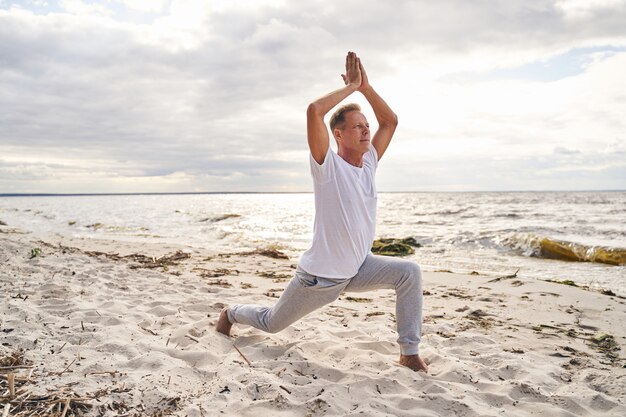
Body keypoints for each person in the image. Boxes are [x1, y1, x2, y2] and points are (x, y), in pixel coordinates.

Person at [216, 51, 427, 373]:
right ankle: (231, 313)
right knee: (272, 323)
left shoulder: (369, 163)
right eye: (357, 127)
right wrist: (351, 87)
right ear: (338, 135)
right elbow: (315, 110)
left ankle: (409, 353)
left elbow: (390, 121)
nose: (366, 130)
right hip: (319, 279)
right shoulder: (327, 166)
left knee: (408, 272)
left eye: (366, 126)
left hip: (358, 267)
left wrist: (366, 88)